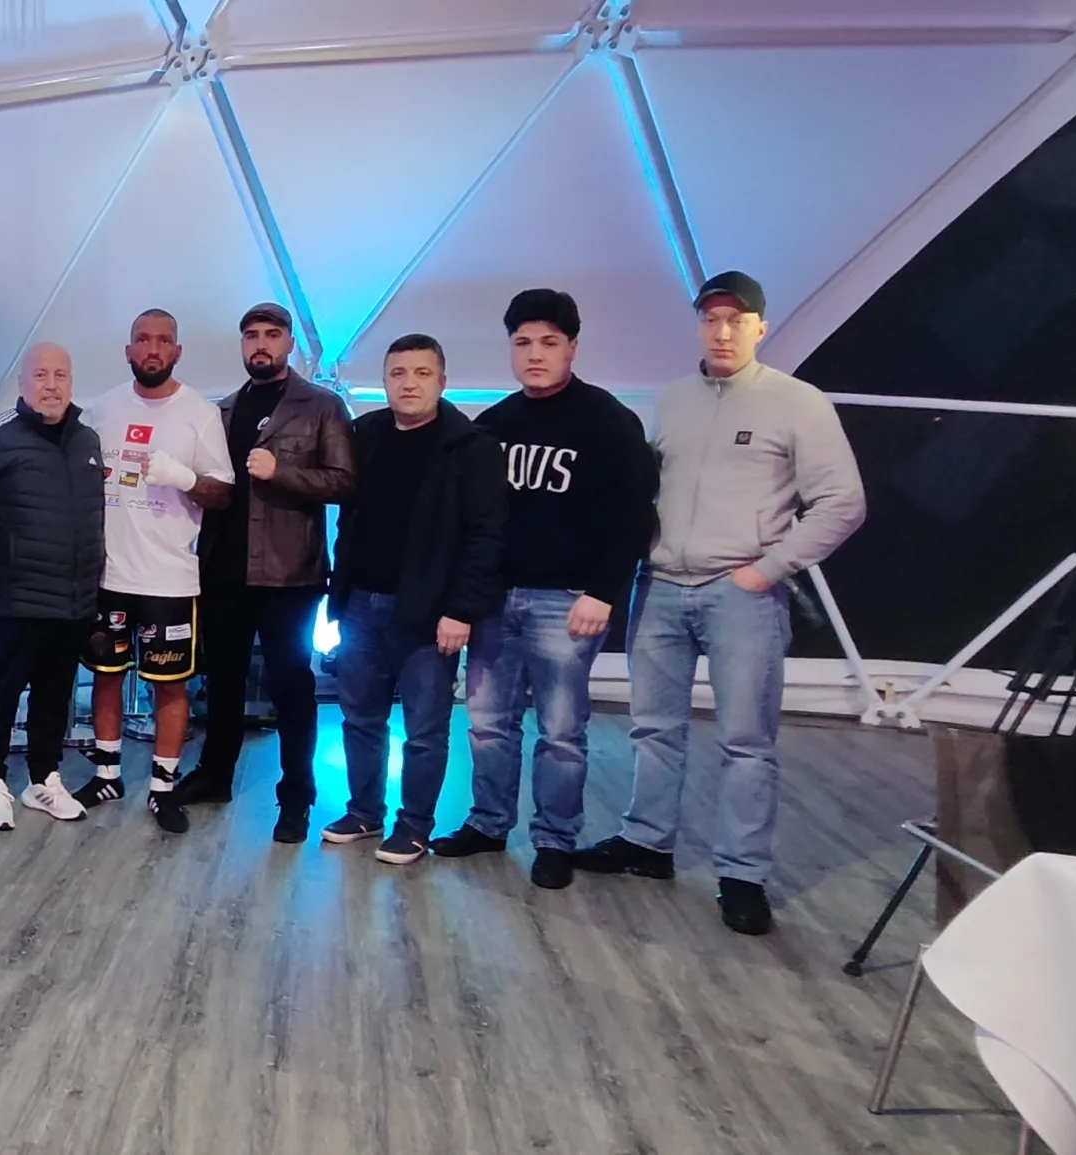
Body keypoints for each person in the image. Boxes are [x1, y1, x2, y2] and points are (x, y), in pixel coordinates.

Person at [576, 271, 865, 936]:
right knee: (654, 729)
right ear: (699, 325)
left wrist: (767, 570)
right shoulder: (674, 400)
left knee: (747, 742)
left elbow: (844, 502)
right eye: (711, 319)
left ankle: (742, 874)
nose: (723, 331)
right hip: (661, 587)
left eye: (737, 320)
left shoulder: (796, 402)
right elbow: (645, 491)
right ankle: (647, 842)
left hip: (739, 593)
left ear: (760, 327)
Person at [432, 290, 655, 889]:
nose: (535, 354)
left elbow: (633, 516)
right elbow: (469, 520)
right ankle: (488, 823)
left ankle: (555, 839)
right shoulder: (494, 424)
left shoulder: (608, 421)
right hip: (494, 599)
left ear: (572, 347)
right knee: (487, 721)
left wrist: (603, 592)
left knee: (561, 730)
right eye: (523, 342)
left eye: (549, 343)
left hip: (568, 600)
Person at [320, 334, 506, 866]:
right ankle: (364, 812)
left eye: (422, 373)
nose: (409, 383)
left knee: (424, 730)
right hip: (360, 603)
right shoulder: (367, 435)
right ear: (384, 381)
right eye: (398, 373)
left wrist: (460, 610)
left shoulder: (471, 447)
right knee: (360, 719)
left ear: (442, 381)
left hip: (428, 613)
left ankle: (415, 825)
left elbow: (485, 536)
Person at [180, 302, 355, 844]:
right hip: (223, 570)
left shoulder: (321, 406)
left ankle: (296, 795)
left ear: (289, 344)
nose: (261, 344)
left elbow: (344, 481)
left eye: (272, 334)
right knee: (222, 682)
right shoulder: (224, 411)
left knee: (291, 686)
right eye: (252, 335)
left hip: (290, 574)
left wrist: (283, 472)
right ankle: (215, 774)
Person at [80, 309, 234, 834]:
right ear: (128, 350)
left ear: (177, 352)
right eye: (143, 340)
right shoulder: (102, 409)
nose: (152, 349)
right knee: (105, 674)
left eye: (163, 340)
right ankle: (107, 774)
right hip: (109, 574)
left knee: (170, 685)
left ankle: (163, 788)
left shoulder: (200, 414)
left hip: (169, 577)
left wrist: (184, 477)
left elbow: (224, 493)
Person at [0, 342, 104, 830]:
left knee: (54, 696)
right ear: (22, 384)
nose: (51, 385)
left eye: (60, 375)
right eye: (40, 375)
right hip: (10, 599)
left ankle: (44, 778)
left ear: (71, 382)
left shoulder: (88, 441)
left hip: (71, 601)